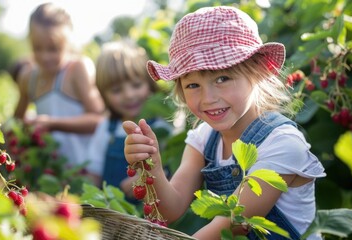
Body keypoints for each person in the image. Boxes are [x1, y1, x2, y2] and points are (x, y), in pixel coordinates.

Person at [122, 6, 326, 240]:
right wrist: (153, 165)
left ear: (258, 72)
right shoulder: (203, 139)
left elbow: (235, 222)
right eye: (193, 85)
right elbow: (170, 209)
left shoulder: (283, 143)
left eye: (222, 78)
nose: (208, 98)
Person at [13, 3, 105, 167]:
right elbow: (18, 120)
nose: (45, 56)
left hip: (85, 168)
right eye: (37, 48)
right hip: (50, 169)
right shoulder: (28, 77)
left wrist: (52, 123)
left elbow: (98, 120)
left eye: (53, 49)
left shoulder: (77, 69)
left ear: (68, 42)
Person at [86, 40, 173, 198]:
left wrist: (145, 179)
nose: (129, 95)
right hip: (111, 212)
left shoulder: (161, 127)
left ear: (149, 83)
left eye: (137, 85)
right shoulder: (106, 127)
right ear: (103, 94)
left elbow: (170, 170)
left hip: (151, 215)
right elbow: (94, 173)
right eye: (117, 90)